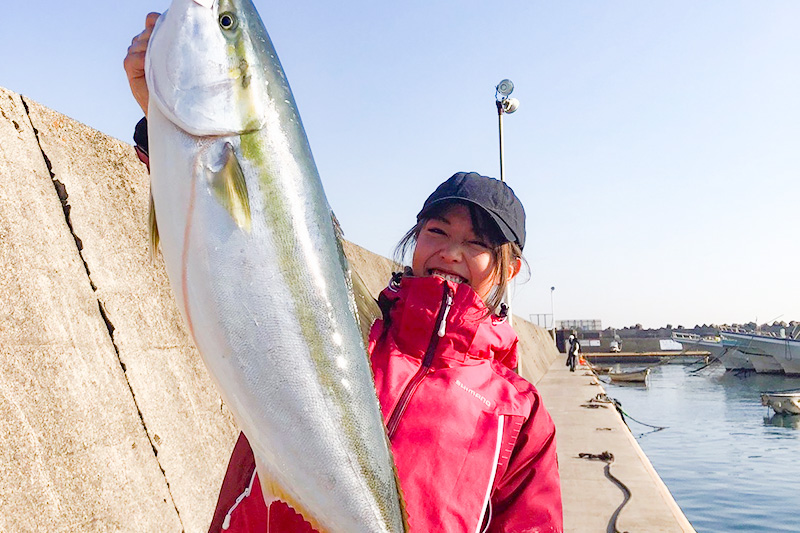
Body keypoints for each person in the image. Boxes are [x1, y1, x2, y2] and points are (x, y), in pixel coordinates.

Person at [125, 14, 562, 533]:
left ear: (508, 268)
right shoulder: (355, 325)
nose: (450, 253)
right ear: (415, 239)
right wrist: (163, 116)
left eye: (477, 244)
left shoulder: (519, 415)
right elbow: (254, 247)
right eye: (437, 232)